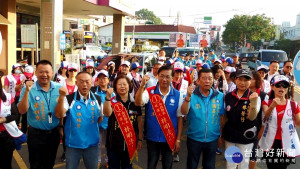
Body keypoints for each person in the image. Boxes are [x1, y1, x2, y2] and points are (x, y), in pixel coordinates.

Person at [18, 60, 65, 169]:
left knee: (50, 163)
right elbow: (21, 111)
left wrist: (61, 127)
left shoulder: (59, 88)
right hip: (35, 134)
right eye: (41, 72)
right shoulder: (28, 89)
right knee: (35, 164)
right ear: (36, 73)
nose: (44, 75)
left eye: (47, 72)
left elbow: (61, 113)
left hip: (53, 132)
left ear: (52, 73)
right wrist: (27, 92)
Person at [135, 66, 184, 169]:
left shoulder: (178, 95)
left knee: (167, 165)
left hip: (169, 137)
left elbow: (180, 118)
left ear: (172, 78)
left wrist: (178, 139)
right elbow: (138, 102)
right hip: (152, 138)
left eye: (167, 77)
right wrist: (142, 85)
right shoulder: (149, 91)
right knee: (151, 165)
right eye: (161, 76)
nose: (164, 79)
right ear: (157, 76)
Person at [55, 71, 103, 169]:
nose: (84, 85)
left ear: (92, 83)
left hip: (92, 144)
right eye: (81, 81)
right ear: (76, 83)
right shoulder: (69, 99)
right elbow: (59, 114)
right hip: (73, 144)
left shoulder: (97, 99)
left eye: (87, 82)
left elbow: (100, 118)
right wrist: (61, 97)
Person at [181, 68, 225, 169]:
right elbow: (184, 112)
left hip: (212, 138)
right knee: (192, 165)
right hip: (194, 138)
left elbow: (221, 117)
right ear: (198, 81)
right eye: (204, 78)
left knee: (209, 165)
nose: (207, 81)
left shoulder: (220, 96)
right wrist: (188, 97)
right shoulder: (191, 95)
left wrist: (220, 135)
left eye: (210, 78)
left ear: (213, 80)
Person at [259, 75, 300, 169]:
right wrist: (272, 106)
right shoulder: (267, 102)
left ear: (287, 88)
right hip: (271, 142)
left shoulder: (294, 105)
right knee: (271, 166)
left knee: (283, 166)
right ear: (272, 87)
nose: (281, 87)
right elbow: (265, 118)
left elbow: (298, 123)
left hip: (287, 142)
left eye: (285, 85)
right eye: (278, 85)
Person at [222, 69, 260, 169]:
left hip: (245, 138)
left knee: (243, 165)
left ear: (251, 81)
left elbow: (252, 117)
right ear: (235, 80)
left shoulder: (255, 96)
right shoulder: (229, 96)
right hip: (230, 136)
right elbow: (224, 116)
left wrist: (254, 102)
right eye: (240, 79)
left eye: (246, 80)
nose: (242, 83)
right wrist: (221, 134)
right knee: (230, 164)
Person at [103, 74, 143, 169]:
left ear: (129, 86)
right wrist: (108, 98)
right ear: (115, 86)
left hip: (130, 143)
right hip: (113, 144)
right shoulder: (111, 101)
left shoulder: (135, 103)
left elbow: (139, 121)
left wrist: (140, 139)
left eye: (124, 84)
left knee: (128, 167)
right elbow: (107, 113)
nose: (122, 87)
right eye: (119, 84)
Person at [91, 70, 113, 169]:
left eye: (104, 78)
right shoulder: (93, 92)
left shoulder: (113, 92)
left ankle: (108, 161)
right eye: (100, 78)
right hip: (97, 122)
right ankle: (98, 161)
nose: (102, 80)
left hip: (109, 122)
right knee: (98, 143)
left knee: (109, 143)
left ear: (108, 80)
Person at [0, 71, 21, 169]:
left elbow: (16, 115)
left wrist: (4, 119)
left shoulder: (7, 97)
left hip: (6, 136)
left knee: (6, 164)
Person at [248, 71, 268, 169]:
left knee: (252, 154)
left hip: (256, 129)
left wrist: (261, 132)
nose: (248, 81)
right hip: (241, 130)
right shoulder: (242, 92)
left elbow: (265, 118)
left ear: (257, 81)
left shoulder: (263, 95)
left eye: (251, 79)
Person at [19, 65, 37, 133]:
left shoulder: (36, 79)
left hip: (33, 99)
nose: (28, 76)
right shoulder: (21, 77)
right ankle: (23, 132)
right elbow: (16, 88)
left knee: (33, 115)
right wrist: (21, 83)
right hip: (24, 98)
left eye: (29, 75)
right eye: (26, 74)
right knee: (24, 117)